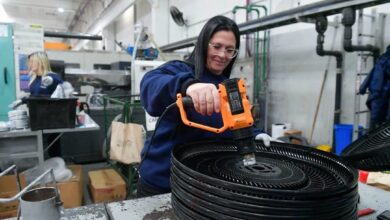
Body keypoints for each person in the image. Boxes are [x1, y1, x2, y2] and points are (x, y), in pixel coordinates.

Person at [137, 15, 272, 198]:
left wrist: (256, 134)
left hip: (202, 185)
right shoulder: (180, 71)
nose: (223, 55)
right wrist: (188, 86)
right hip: (162, 182)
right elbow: (149, 85)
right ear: (203, 44)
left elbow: (239, 123)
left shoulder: (229, 87)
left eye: (229, 50)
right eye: (216, 47)